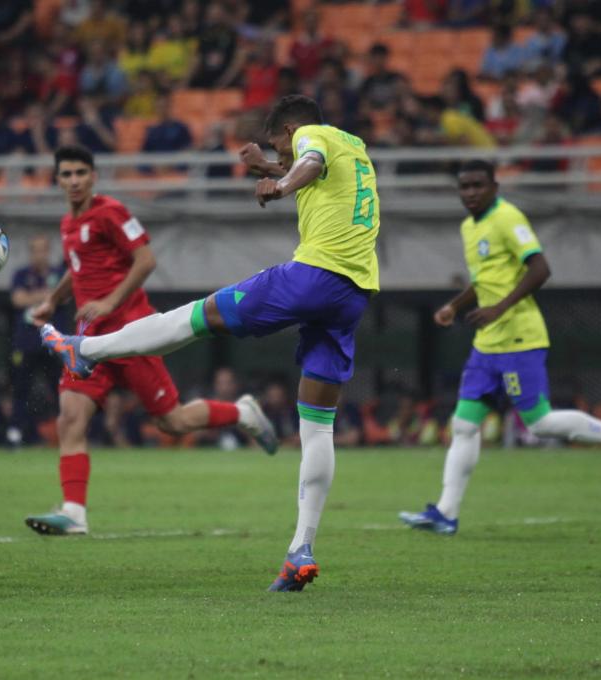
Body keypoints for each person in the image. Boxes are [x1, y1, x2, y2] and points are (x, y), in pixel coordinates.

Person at [39, 95, 379, 592]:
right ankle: (299, 550)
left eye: (276, 142)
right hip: (354, 291)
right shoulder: (356, 146)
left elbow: (307, 159)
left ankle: (84, 350)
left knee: (196, 316)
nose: (279, 151)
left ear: (288, 127)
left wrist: (280, 181)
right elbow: (312, 164)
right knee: (317, 427)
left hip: (314, 275)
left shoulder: (312, 135)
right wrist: (267, 164)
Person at [24, 144, 277, 537]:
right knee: (70, 418)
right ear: (56, 180)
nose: (73, 181)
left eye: (80, 173)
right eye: (66, 174)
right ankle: (75, 513)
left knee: (172, 422)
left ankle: (242, 414)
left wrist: (109, 301)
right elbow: (77, 272)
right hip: (88, 341)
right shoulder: (68, 224)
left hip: (131, 335)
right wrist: (51, 302)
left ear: (94, 176)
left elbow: (146, 260)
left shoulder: (111, 212)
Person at [399, 161, 601, 536]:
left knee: (542, 423)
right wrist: (456, 305)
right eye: (464, 186)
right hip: (486, 344)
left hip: (519, 338)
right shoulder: (470, 227)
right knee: (464, 424)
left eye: (477, 185)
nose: (470, 192)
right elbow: (485, 280)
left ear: (494, 186)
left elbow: (540, 268)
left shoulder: (507, 217)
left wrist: (499, 308)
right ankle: (446, 513)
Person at [9, 234, 65, 441]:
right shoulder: (21, 274)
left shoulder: (59, 274)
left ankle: (66, 432)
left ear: (48, 251)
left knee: (60, 388)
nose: (39, 254)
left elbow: (63, 296)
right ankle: (15, 432)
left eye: (43, 249)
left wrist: (33, 296)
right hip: (26, 342)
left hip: (52, 343)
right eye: (35, 250)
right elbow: (17, 299)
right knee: (21, 387)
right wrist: (46, 295)